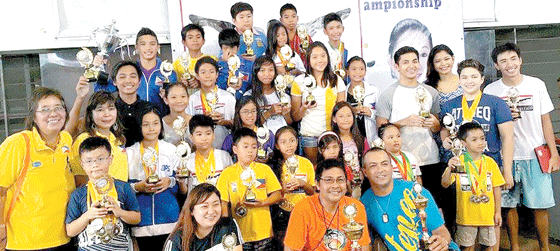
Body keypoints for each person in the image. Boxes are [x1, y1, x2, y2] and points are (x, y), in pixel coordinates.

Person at [483, 42, 559, 251]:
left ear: (520, 60)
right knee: (508, 206)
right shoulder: (491, 90)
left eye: (513, 59)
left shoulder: (537, 84)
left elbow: (546, 121)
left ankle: (545, 247)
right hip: (504, 157)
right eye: (503, 61)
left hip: (534, 154)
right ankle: (514, 247)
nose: (510, 64)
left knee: (541, 205)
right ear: (497, 66)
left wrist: (554, 154)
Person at [0, 87, 75, 250]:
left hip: (64, 238)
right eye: (45, 110)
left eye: (58, 108)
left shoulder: (66, 140)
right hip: (26, 242)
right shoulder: (18, 144)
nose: (53, 114)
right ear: (34, 116)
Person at [361, 147, 457, 251]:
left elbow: (440, 230)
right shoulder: (364, 203)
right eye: (373, 166)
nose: (380, 170)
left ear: (391, 167)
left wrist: (442, 241)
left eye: (384, 164)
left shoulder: (415, 191)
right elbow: (367, 243)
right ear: (365, 172)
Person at [376, 46, 441, 199]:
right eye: (405, 62)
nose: (411, 66)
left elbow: (439, 129)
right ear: (396, 66)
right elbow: (380, 130)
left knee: (431, 205)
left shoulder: (431, 92)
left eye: (414, 61)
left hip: (430, 158)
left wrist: (434, 124)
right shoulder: (388, 94)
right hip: (400, 160)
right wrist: (403, 122)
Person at [440, 59, 513, 188]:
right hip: (459, 167)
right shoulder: (449, 105)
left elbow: (508, 138)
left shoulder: (496, 103)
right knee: (461, 207)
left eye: (474, 77)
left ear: (482, 79)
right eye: (465, 77)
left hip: (489, 166)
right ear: (459, 80)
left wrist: (507, 171)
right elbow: (445, 134)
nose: (469, 81)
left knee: (489, 206)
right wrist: (445, 141)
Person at [66, 137, 141, 250]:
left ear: (110, 159)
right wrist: (88, 215)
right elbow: (70, 231)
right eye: (89, 161)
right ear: (82, 164)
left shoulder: (123, 187)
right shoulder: (78, 194)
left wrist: (119, 212)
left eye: (100, 159)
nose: (95, 165)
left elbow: (136, 218)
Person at [216, 128, 282, 251]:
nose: (250, 151)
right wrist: (227, 228)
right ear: (235, 149)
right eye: (245, 147)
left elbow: (278, 195)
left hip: (263, 232)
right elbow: (223, 203)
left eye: (253, 147)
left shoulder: (264, 169)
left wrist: (263, 202)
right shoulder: (227, 174)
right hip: (240, 233)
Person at [442, 122, 505, 251]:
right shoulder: (459, 161)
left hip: (487, 216)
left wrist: (498, 212)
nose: (480, 143)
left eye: (482, 138)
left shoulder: (490, 163)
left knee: (488, 246)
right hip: (466, 217)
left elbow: (496, 188)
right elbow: (445, 183)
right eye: (474, 140)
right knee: (467, 247)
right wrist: (450, 168)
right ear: (463, 143)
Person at [284, 159, 371, 251]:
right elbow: (290, 248)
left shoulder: (355, 207)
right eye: (329, 180)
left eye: (340, 180)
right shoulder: (303, 208)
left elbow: (363, 245)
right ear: (317, 184)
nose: (335, 186)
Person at [127, 104, 181, 250]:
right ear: (139, 126)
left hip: (169, 220)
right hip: (141, 223)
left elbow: (181, 184)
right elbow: (123, 187)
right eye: (146, 124)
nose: (151, 128)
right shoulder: (129, 153)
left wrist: (170, 181)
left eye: (156, 123)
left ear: (161, 126)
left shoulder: (172, 150)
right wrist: (138, 187)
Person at [96, 28, 177, 115]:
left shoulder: (168, 72)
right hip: (132, 122)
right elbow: (100, 91)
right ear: (137, 47)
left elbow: (176, 101)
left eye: (152, 44)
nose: (148, 48)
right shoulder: (129, 71)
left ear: (158, 47)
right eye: (143, 44)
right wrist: (100, 68)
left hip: (158, 124)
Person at [291, 41, 346, 165]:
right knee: (314, 169)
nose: (320, 60)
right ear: (308, 60)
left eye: (323, 56)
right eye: (314, 57)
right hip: (309, 136)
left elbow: (342, 111)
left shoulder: (336, 80)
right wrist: (304, 108)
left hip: (331, 135)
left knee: (331, 169)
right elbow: (295, 116)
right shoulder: (299, 82)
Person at [267, 126, 315, 248]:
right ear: (277, 146)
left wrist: (303, 183)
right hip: (282, 214)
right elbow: (269, 195)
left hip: (304, 211)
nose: (289, 145)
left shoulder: (306, 163)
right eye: (283, 142)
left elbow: (313, 192)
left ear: (297, 142)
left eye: (292, 141)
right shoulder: (273, 166)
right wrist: (283, 190)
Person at [70, 91, 128, 186]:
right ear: (91, 114)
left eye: (111, 109)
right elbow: (78, 178)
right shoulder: (83, 139)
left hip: (121, 195)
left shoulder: (118, 139)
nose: (107, 114)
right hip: (98, 197)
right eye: (100, 110)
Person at [164, 183, 243, 251]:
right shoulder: (177, 240)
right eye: (204, 206)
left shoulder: (228, 226)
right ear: (192, 211)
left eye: (216, 205)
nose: (211, 211)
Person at [187, 56, 236, 149]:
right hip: (200, 148)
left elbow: (236, 122)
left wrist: (223, 121)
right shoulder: (192, 99)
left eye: (211, 72)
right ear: (197, 75)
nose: (208, 75)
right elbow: (189, 125)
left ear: (217, 74)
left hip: (224, 146)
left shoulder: (228, 97)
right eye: (203, 72)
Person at [185, 115, 233, 192]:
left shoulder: (224, 156)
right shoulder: (187, 160)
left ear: (214, 135)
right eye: (199, 134)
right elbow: (184, 191)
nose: (204, 138)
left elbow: (231, 183)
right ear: (191, 138)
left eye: (208, 133)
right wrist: (181, 180)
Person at [246, 56, 292, 134]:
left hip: (281, 139)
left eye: (270, 70)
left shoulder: (283, 95)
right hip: (259, 137)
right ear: (256, 72)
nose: (267, 74)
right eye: (262, 70)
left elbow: (289, 122)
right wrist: (270, 112)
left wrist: (286, 113)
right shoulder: (249, 96)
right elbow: (248, 123)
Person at [331, 101, 368, 198]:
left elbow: (366, 160)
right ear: (334, 119)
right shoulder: (332, 140)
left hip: (357, 185)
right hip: (339, 184)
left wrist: (362, 172)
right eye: (341, 116)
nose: (345, 119)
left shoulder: (361, 140)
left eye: (349, 115)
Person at [221, 96, 274, 163]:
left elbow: (275, 157)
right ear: (238, 113)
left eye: (253, 111)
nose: (250, 115)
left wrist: (268, 158)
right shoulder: (231, 138)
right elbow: (225, 161)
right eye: (245, 112)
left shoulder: (267, 134)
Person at [111, 61, 152, 147]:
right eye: (122, 77)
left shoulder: (149, 109)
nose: (128, 81)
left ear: (139, 80)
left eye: (133, 76)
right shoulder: (109, 110)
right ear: (114, 81)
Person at [172, 24, 214, 95]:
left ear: (203, 41)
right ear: (184, 42)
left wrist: (201, 83)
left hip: (207, 99)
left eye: (198, 37)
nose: (195, 40)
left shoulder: (212, 60)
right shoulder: (177, 63)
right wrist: (181, 84)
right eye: (190, 37)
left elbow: (217, 83)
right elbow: (173, 86)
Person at [346, 56, 379, 144]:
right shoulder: (343, 93)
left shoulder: (373, 91)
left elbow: (381, 115)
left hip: (371, 136)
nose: (358, 72)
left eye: (361, 69)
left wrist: (370, 113)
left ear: (365, 71)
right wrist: (352, 112)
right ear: (347, 71)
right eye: (354, 69)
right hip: (350, 137)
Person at [216, 28, 253, 99]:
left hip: (243, 105)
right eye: (226, 48)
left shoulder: (249, 65)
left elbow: (253, 87)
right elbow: (216, 87)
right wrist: (225, 64)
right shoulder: (217, 66)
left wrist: (241, 85)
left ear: (238, 48)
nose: (229, 51)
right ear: (221, 48)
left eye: (232, 48)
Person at [323, 12, 348, 78]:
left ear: (343, 29)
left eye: (338, 27)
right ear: (325, 31)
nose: (335, 31)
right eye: (331, 28)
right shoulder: (323, 50)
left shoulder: (348, 49)